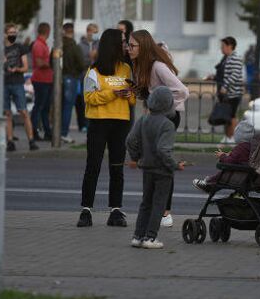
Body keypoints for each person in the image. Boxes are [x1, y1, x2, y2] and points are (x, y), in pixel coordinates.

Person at [128, 30, 189, 227]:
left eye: (132, 46)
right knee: (154, 162)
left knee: (162, 162)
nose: (128, 49)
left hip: (168, 117)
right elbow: (149, 93)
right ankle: (156, 208)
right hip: (155, 116)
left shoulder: (158, 66)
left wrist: (162, 105)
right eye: (128, 45)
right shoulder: (140, 66)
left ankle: (165, 212)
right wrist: (136, 91)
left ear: (143, 47)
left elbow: (182, 91)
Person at [77, 28, 135, 228]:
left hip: (121, 122)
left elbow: (133, 98)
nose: (125, 45)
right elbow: (89, 98)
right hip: (99, 122)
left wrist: (129, 95)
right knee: (93, 166)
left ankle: (116, 210)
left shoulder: (126, 68)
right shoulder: (93, 71)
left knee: (117, 168)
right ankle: (86, 211)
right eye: (122, 42)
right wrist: (113, 93)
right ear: (112, 45)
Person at [126, 86, 185, 249]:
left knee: (145, 203)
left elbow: (130, 141)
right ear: (168, 105)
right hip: (162, 171)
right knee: (159, 204)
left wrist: (136, 157)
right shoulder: (167, 125)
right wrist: (175, 165)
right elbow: (163, 150)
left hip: (147, 168)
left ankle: (137, 236)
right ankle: (150, 238)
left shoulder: (143, 119)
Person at [191, 120, 255, 192]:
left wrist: (222, 156)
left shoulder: (240, 148)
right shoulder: (250, 146)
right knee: (225, 172)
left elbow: (229, 161)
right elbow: (238, 158)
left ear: (238, 135)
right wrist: (229, 155)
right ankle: (209, 181)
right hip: (247, 175)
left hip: (239, 175)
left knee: (224, 172)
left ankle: (209, 183)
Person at [4, 23, 39, 152]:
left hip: (17, 82)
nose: (13, 35)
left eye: (14, 32)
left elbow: (25, 67)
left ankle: (31, 140)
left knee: (23, 111)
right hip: (4, 83)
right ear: (5, 34)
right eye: (10, 33)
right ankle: (10, 141)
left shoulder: (20, 47)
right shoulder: (0, 49)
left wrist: (16, 69)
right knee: (7, 113)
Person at [214, 36, 244, 144]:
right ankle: (227, 137)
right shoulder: (226, 58)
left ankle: (232, 138)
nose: (221, 48)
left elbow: (235, 74)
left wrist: (225, 86)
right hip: (226, 93)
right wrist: (213, 77)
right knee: (226, 115)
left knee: (231, 115)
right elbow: (223, 74)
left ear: (230, 46)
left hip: (233, 93)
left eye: (223, 46)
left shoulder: (235, 57)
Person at [61, 22, 86, 143]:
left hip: (59, 79)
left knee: (59, 106)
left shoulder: (58, 45)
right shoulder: (74, 47)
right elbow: (82, 64)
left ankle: (57, 132)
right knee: (67, 107)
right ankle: (64, 133)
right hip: (72, 78)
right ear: (72, 32)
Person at [30, 22, 53, 141]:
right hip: (41, 79)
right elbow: (39, 63)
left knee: (45, 108)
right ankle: (33, 131)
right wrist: (52, 63)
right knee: (39, 107)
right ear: (47, 31)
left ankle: (47, 132)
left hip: (46, 79)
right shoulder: (39, 44)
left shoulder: (43, 44)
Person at [76, 23, 100, 132]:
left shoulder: (99, 45)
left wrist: (97, 55)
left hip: (97, 75)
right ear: (88, 31)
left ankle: (94, 122)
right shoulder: (80, 45)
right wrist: (88, 58)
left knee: (96, 99)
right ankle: (85, 124)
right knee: (84, 100)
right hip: (84, 75)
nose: (95, 34)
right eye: (93, 32)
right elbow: (79, 62)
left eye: (96, 32)